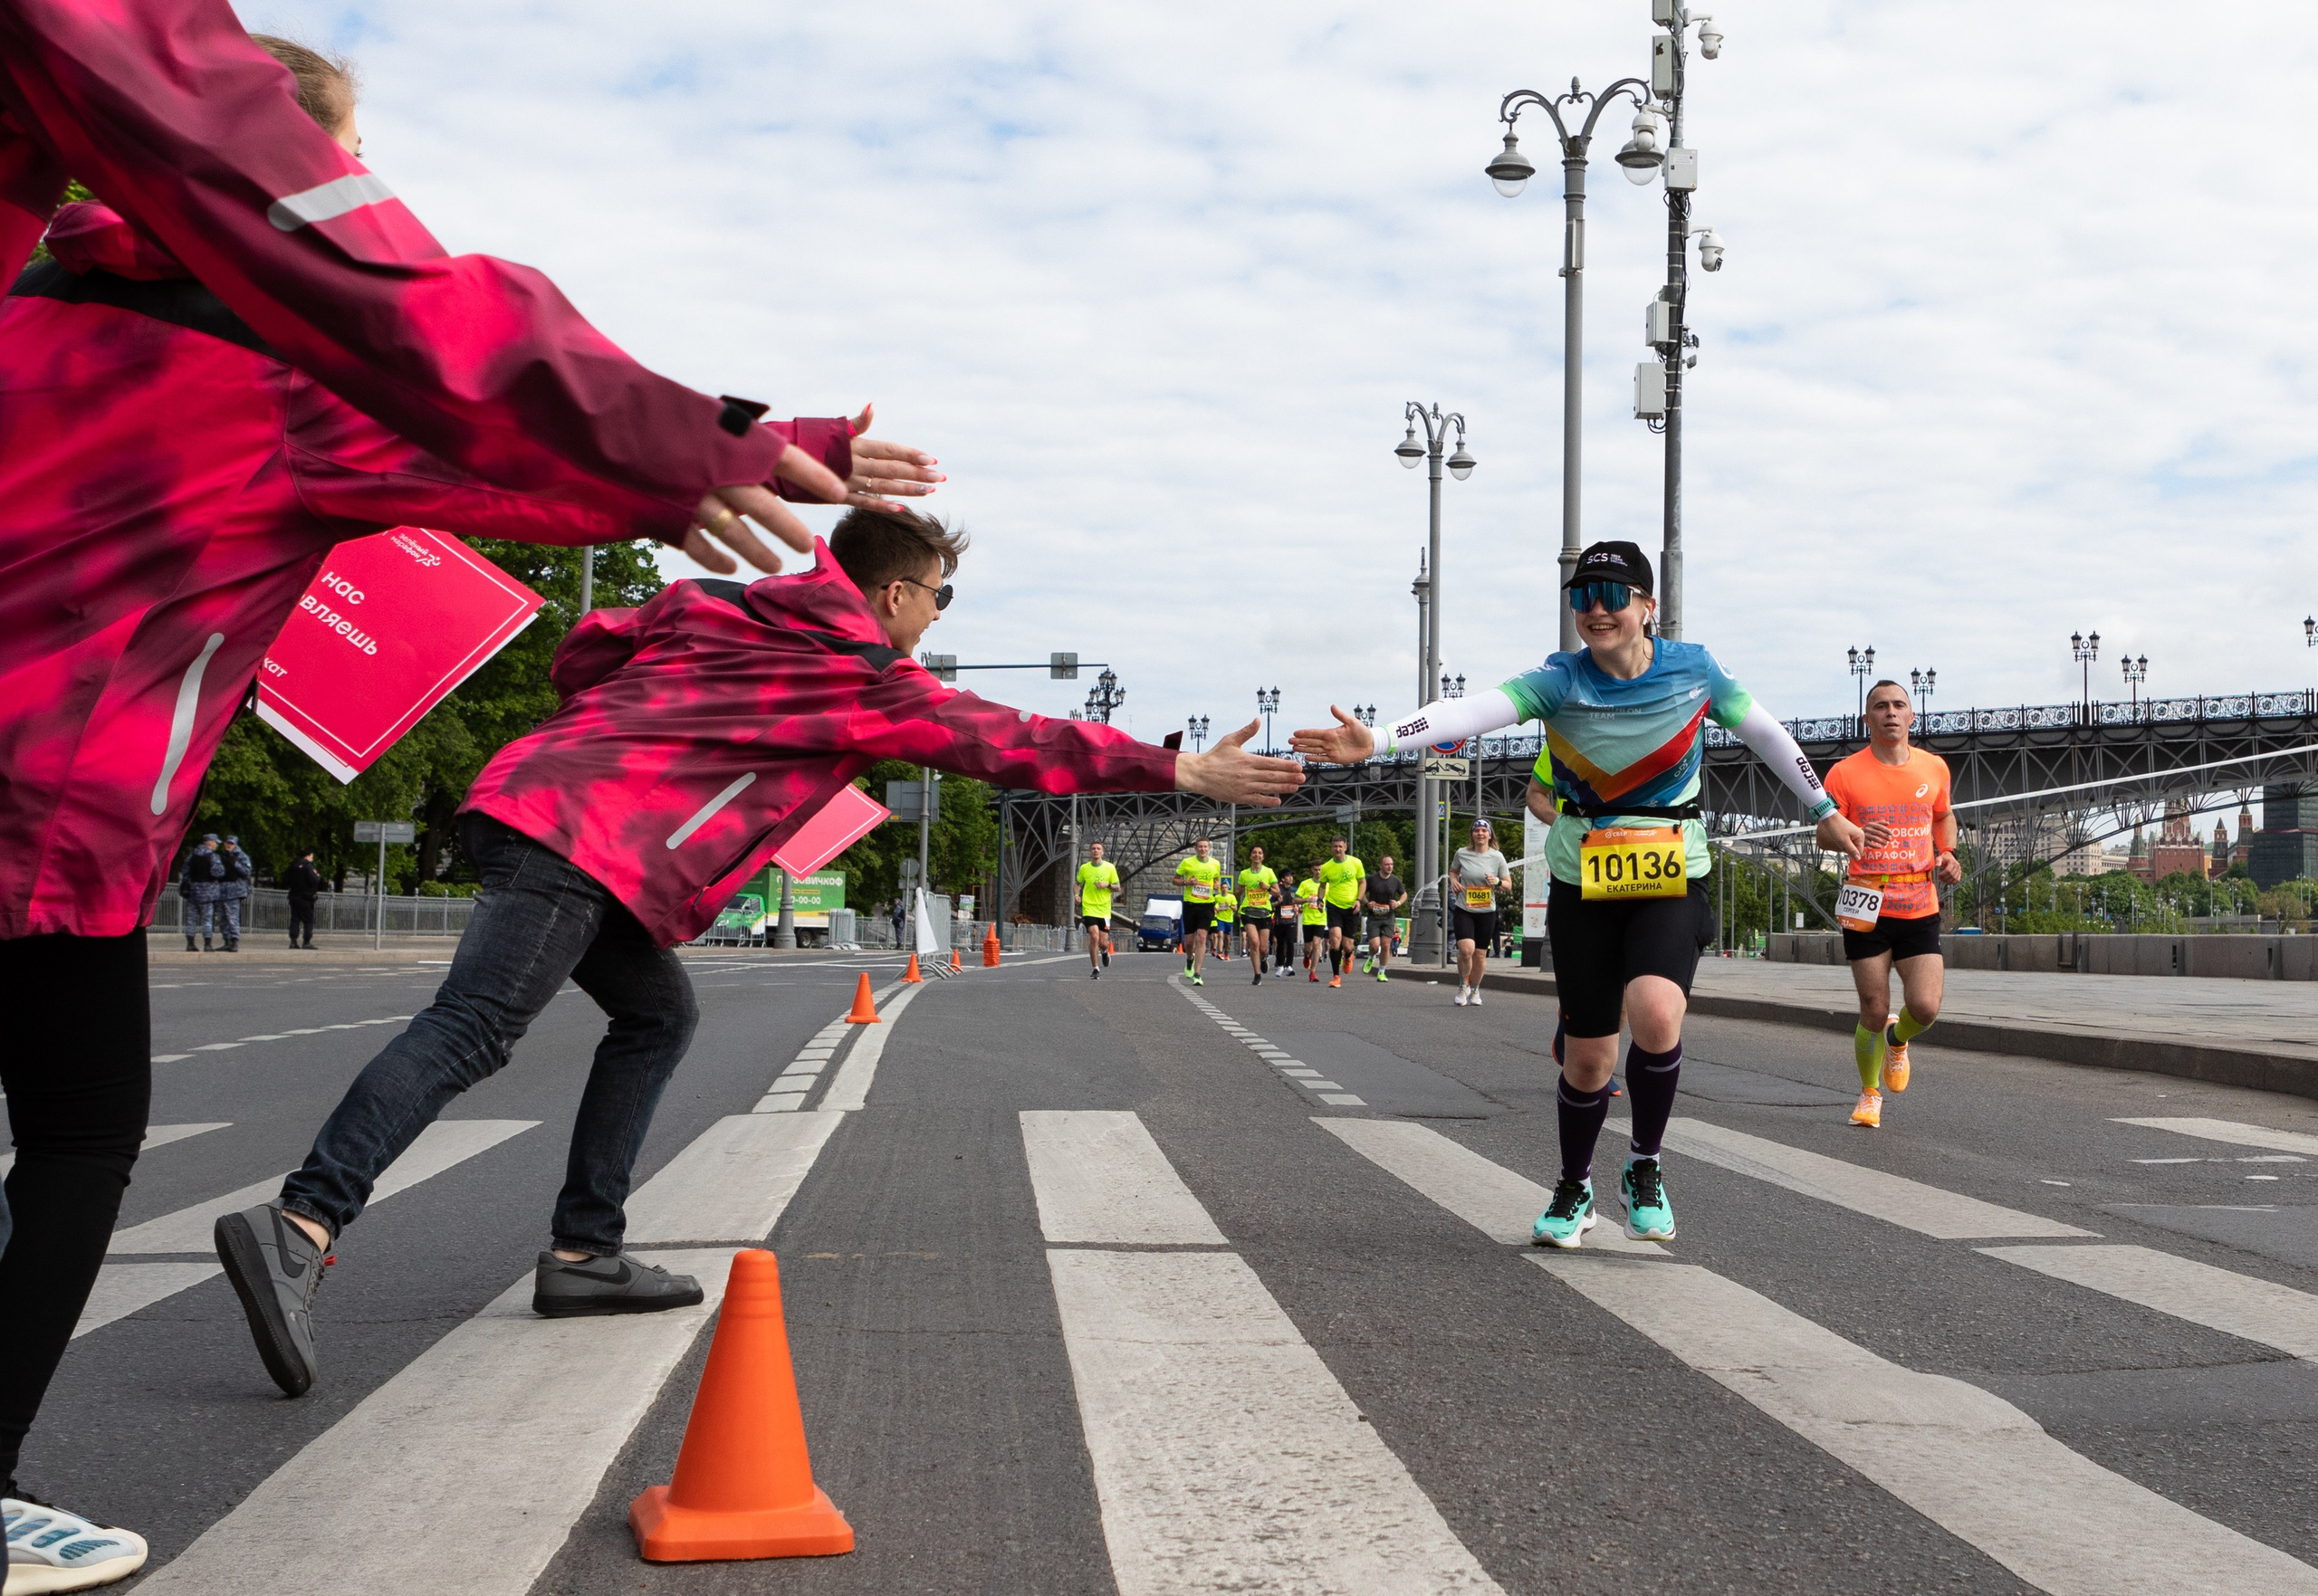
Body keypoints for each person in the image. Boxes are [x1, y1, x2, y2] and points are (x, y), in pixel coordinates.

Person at [0, 32, 941, 1567]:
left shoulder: (31, 300)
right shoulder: (270, 372)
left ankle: (570, 1237)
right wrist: (765, 447)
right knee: (85, 1132)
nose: (366, 185)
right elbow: (494, 442)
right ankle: (308, 1236)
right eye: (348, 157)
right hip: (53, 808)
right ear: (265, 169)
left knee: (641, 1017)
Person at [215, 508, 1304, 1399]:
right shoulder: (858, 670)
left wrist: (637, 728)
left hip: (548, 802)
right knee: (475, 1027)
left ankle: (584, 1254)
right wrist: (1179, 772)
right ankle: (304, 1219)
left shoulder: (721, 604)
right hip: (583, 832)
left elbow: (588, 646)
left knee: (659, 1014)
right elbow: (1004, 737)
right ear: (891, 594)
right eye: (939, 595)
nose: (936, 613)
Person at [1296, 540, 1863, 1250]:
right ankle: (1575, 1184)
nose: (1594, 608)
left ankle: (1645, 1168)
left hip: (1672, 873)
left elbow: (1766, 732)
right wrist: (1378, 737)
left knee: (1657, 1013)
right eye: (1581, 594)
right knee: (1589, 1058)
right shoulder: (1559, 680)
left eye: (1611, 594)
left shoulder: (1695, 671)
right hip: (1582, 880)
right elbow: (1471, 711)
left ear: (1647, 606)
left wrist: (1822, 807)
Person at [1824, 679, 1959, 1130]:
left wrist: (1949, 853)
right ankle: (1868, 1094)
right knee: (1873, 1008)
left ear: (1911, 716)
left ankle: (1898, 1042)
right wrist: (1849, 834)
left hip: (1919, 900)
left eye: (1899, 705)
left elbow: (1942, 815)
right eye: (1880, 706)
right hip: (1866, 900)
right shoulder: (1844, 773)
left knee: (1925, 1007)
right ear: (1868, 719)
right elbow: (1824, 832)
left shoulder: (1933, 768)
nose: (1890, 712)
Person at [1450, 820, 1510, 1007]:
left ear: (1490, 835)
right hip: (1465, 909)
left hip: (1486, 911)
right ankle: (1462, 985)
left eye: (1484, 831)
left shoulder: (1497, 857)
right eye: (1477, 831)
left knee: (1480, 954)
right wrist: (1454, 881)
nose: (1480, 834)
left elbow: (1508, 885)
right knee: (1466, 949)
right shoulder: (1462, 853)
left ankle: (1475, 990)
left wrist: (1497, 881)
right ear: (1472, 835)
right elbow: (1453, 871)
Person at [1314, 836, 1365, 989]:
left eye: (1340, 846)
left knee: (1347, 945)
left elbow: (1362, 882)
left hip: (1351, 907)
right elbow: (1322, 886)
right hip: (1334, 906)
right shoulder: (1327, 867)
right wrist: (1320, 900)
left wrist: (1358, 899)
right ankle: (1336, 976)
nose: (1337, 849)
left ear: (1345, 847)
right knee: (1335, 940)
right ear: (1331, 848)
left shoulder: (1355, 862)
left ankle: (1349, 955)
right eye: (1335, 846)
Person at [1173, 838, 1223, 987]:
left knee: (1201, 938)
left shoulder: (1215, 864)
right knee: (1189, 942)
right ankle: (1189, 959)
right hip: (1190, 904)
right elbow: (1174, 880)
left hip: (1207, 905)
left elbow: (1216, 880)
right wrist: (1187, 882)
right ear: (1195, 849)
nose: (1203, 849)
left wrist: (1216, 885)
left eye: (1205, 847)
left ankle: (1197, 974)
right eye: (1200, 847)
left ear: (1209, 848)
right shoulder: (1187, 863)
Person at [1075, 841, 1120, 980]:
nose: (1095, 851)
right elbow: (1077, 884)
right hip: (1089, 907)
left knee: (1103, 942)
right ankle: (1095, 968)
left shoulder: (1110, 868)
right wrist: (1076, 895)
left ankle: (1105, 951)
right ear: (1090, 852)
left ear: (1102, 852)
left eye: (1098, 849)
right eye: (1093, 848)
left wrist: (1107, 885)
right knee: (1094, 936)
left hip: (1104, 909)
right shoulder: (1084, 868)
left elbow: (1118, 887)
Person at [1237, 846, 1279, 988]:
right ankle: (1257, 974)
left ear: (1263, 857)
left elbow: (1278, 893)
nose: (1257, 855)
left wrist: (1267, 888)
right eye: (1254, 853)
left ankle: (1263, 958)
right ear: (1250, 856)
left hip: (1264, 912)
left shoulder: (1269, 872)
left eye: (1260, 853)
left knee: (1262, 947)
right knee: (1253, 942)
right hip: (1248, 911)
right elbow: (1239, 891)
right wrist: (1238, 891)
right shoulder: (1244, 874)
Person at [1364, 854, 1408, 982]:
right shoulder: (1372, 879)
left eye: (1391, 864)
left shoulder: (1395, 880)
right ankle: (1371, 957)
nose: (1390, 867)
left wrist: (1398, 903)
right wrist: (1367, 903)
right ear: (1381, 865)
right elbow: (1360, 893)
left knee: (1386, 945)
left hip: (1388, 917)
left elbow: (1404, 894)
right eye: (1387, 864)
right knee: (1374, 945)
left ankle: (1381, 972)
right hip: (1374, 917)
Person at [180, 835, 227, 951]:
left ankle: (190, 944)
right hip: (208, 892)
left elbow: (185, 871)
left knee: (191, 919)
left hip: (192, 891)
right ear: (210, 843)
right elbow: (218, 873)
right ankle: (207, 944)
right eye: (216, 842)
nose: (217, 845)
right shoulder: (213, 857)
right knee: (207, 919)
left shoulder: (192, 856)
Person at [217, 833, 254, 951]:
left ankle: (234, 941)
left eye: (231, 844)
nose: (229, 845)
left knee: (232, 917)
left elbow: (247, 871)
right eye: (228, 843)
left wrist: (235, 863)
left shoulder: (241, 856)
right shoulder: (221, 856)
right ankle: (226, 940)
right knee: (222, 918)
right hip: (222, 889)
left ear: (235, 845)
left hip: (234, 890)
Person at [285, 849, 323, 949]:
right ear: (307, 856)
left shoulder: (292, 865)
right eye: (311, 856)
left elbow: (286, 879)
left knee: (295, 919)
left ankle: (293, 941)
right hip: (306, 897)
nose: (312, 858)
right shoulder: (307, 866)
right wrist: (318, 876)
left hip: (293, 896)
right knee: (308, 920)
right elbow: (314, 879)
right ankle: (306, 942)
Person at [1296, 866, 1327, 981]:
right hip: (1308, 920)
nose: (1318, 872)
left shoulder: (1327, 885)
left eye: (1320, 870)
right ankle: (1306, 956)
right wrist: (1306, 900)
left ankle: (1313, 972)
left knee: (1317, 943)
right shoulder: (1305, 884)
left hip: (1321, 919)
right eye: (1316, 870)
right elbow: (1295, 899)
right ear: (1312, 871)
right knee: (1308, 948)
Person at [1212, 878, 1237, 962]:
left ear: (1228, 889)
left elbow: (1235, 908)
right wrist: (1217, 909)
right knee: (1220, 934)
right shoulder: (1217, 897)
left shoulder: (1231, 897)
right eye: (1223, 888)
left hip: (1229, 919)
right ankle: (1220, 952)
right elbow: (1214, 906)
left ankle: (1226, 952)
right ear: (1221, 889)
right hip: (1220, 919)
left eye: (1226, 887)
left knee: (1228, 938)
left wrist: (1229, 905)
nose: (1224, 889)